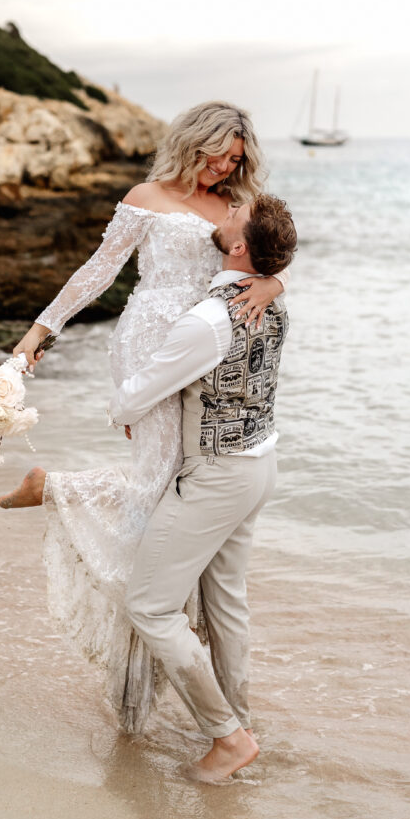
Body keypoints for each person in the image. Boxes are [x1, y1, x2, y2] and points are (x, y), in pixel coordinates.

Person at [0, 101, 289, 732]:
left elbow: (265, 254)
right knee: (157, 495)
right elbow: (98, 272)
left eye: (236, 158)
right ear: (193, 142)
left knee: (178, 507)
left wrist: (275, 283)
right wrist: (40, 331)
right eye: (218, 153)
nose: (225, 166)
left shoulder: (237, 206)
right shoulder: (146, 197)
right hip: (153, 347)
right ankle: (138, 693)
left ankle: (199, 701)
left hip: (207, 351)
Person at [108, 194, 297, 781]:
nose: (226, 211)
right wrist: (276, 282)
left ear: (239, 247)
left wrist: (123, 403)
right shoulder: (269, 302)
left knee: (150, 606)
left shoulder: (208, 319)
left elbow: (137, 395)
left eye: (235, 215)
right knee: (227, 605)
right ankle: (239, 724)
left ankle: (228, 738)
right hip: (259, 464)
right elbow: (273, 280)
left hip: (216, 475)